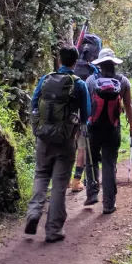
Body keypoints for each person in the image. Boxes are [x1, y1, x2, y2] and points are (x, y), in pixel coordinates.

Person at [25, 44, 91, 243]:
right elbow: (86, 114)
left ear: (60, 60)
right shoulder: (78, 84)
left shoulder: (46, 79)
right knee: (59, 185)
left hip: (44, 138)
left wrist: (40, 126)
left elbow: (34, 103)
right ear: (75, 61)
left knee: (41, 175)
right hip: (65, 140)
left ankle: (33, 214)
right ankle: (53, 230)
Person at [84, 48, 132, 214]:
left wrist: (81, 125)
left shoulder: (90, 80)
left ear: (99, 64)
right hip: (113, 129)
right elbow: (128, 106)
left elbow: (85, 106)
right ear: (114, 63)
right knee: (109, 163)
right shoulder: (123, 81)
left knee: (91, 160)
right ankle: (108, 204)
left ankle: (92, 192)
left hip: (93, 128)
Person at [70, 33, 101, 193]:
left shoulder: (72, 67)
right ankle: (76, 181)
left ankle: (64, 179)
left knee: (69, 147)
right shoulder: (92, 70)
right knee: (82, 147)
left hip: (67, 115)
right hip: (83, 115)